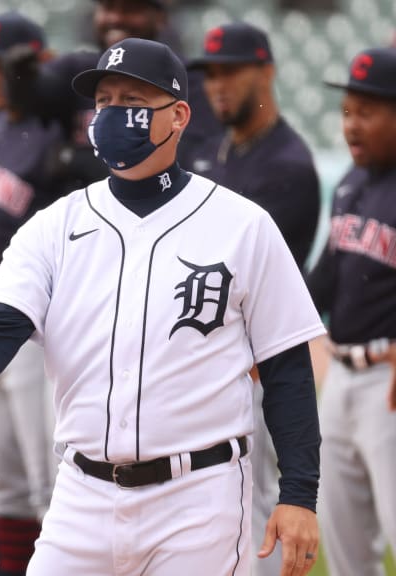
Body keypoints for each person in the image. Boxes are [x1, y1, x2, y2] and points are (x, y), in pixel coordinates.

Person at [0, 38, 324, 576]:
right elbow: (2, 321)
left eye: (132, 99)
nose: (114, 114)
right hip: (81, 496)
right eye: (105, 101)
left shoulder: (243, 225)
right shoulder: (54, 226)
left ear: (179, 115)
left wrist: (299, 494)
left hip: (198, 498)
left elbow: (286, 371)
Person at [186, 22, 321, 576]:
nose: (218, 85)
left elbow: (249, 285)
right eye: (211, 74)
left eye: (231, 72)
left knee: (256, 507)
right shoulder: (225, 149)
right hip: (223, 362)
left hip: (257, 365)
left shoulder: (286, 164)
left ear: (266, 72)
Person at [0, 12, 63, 576]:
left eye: (5, 66)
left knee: (47, 483)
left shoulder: (57, 128)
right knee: (0, 480)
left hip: (31, 326)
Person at [307, 45, 396, 576]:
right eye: (346, 112)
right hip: (339, 378)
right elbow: (323, 281)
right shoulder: (350, 182)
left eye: (367, 111)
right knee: (344, 548)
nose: (352, 125)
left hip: (387, 383)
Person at [4, 0, 221, 181]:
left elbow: (187, 160)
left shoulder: (185, 81)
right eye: (108, 8)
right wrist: (20, 79)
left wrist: (76, 159)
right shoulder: (80, 69)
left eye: (130, 9)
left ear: (161, 18)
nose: (116, 18)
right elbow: (35, 96)